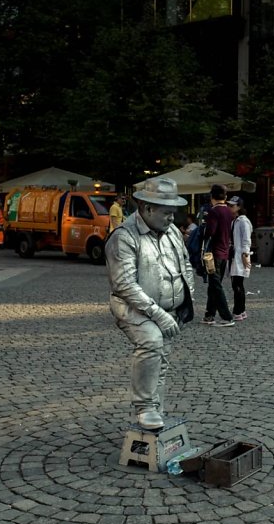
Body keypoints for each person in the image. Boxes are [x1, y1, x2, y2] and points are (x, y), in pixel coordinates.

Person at [105, 177, 195, 430]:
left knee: (162, 357)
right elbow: (124, 285)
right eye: (166, 213)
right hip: (132, 307)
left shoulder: (173, 232)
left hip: (169, 308)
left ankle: (157, 406)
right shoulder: (123, 237)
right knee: (152, 342)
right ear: (147, 208)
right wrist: (159, 314)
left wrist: (186, 298)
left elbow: (185, 264)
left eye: (173, 213)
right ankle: (144, 407)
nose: (171, 218)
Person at [201, 184, 236, 326]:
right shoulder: (228, 211)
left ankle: (226, 317)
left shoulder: (214, 212)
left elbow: (210, 232)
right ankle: (209, 315)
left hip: (213, 253)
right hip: (224, 252)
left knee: (215, 285)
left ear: (212, 197)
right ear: (225, 197)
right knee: (214, 284)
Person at [228, 196, 253, 319]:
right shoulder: (235, 221)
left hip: (240, 255)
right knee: (237, 284)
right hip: (235, 254)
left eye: (232, 205)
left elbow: (246, 240)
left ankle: (238, 311)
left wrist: (245, 254)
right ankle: (240, 310)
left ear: (239, 207)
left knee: (237, 284)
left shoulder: (243, 221)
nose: (230, 207)